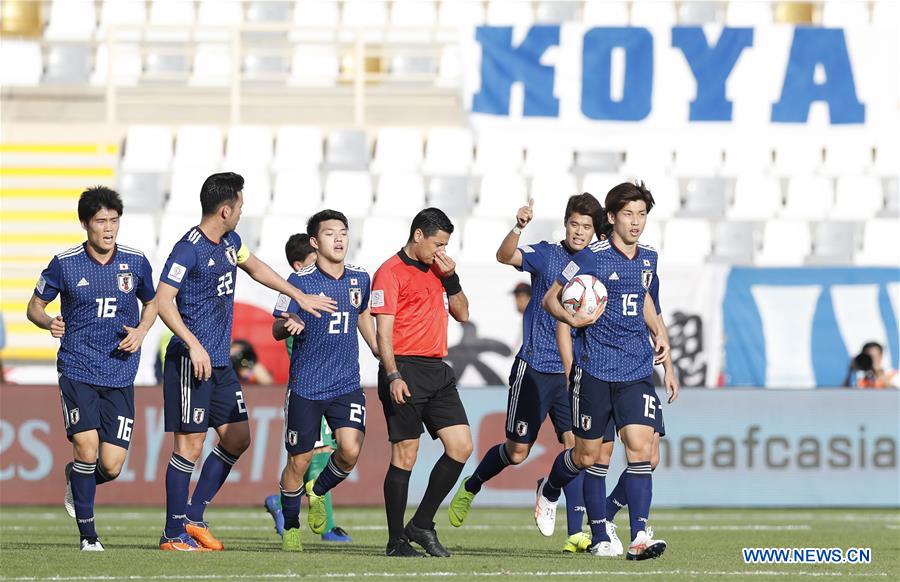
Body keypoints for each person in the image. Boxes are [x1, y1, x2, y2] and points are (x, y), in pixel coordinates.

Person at [155, 172, 335, 552]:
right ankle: (172, 534)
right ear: (225, 209)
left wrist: (296, 293)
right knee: (188, 446)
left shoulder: (230, 242)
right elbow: (163, 301)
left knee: (238, 438)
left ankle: (194, 516)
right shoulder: (187, 249)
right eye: (239, 206)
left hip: (220, 362)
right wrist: (192, 344)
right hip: (193, 360)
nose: (241, 212)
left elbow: (256, 268)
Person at [447, 194, 603, 553]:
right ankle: (472, 485)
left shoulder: (596, 262)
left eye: (587, 227)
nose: (579, 232)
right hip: (533, 369)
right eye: (575, 224)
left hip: (572, 373)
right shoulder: (547, 254)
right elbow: (504, 256)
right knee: (517, 452)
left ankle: (575, 532)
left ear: (595, 231)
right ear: (566, 223)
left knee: (576, 448)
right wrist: (518, 226)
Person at [538, 181, 678, 560]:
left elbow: (645, 297)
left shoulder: (649, 257)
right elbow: (551, 299)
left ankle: (639, 536)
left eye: (642, 214)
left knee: (642, 452)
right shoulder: (591, 257)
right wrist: (576, 316)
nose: (636, 222)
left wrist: (662, 341)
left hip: (635, 370)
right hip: (595, 371)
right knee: (587, 458)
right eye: (628, 214)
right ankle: (554, 490)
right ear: (612, 217)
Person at [26, 186, 158, 551]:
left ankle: (76, 480)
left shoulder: (135, 261)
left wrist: (143, 330)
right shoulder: (64, 263)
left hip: (120, 372)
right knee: (86, 447)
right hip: (78, 366)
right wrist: (46, 321)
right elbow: (34, 306)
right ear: (85, 223)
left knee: (111, 465)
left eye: (114, 220)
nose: (109, 228)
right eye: (101, 221)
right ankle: (89, 537)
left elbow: (154, 303)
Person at [269, 210, 378, 552]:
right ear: (315, 243)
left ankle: (317, 491)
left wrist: (377, 347)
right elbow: (275, 327)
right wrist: (288, 323)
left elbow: (361, 313)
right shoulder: (298, 282)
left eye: (343, 232)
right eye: (330, 233)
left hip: (346, 383)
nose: (339, 239)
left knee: (350, 450)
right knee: (298, 462)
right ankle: (289, 526)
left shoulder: (360, 278)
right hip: (307, 387)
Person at [372, 207, 472, 558]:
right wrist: (393, 374)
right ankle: (396, 540)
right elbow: (383, 332)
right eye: (437, 243)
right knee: (405, 455)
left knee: (461, 446)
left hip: (437, 369)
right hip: (405, 369)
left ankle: (422, 523)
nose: (441, 251)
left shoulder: (439, 270)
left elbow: (462, 313)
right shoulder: (389, 272)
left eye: (445, 244)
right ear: (418, 235)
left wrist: (452, 278)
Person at [264, 233, 352, 543]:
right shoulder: (298, 297)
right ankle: (318, 523)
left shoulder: (329, 292)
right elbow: (281, 330)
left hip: (336, 385)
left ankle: (315, 516)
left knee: (327, 450)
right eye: (315, 261)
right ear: (300, 265)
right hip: (310, 387)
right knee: (315, 454)